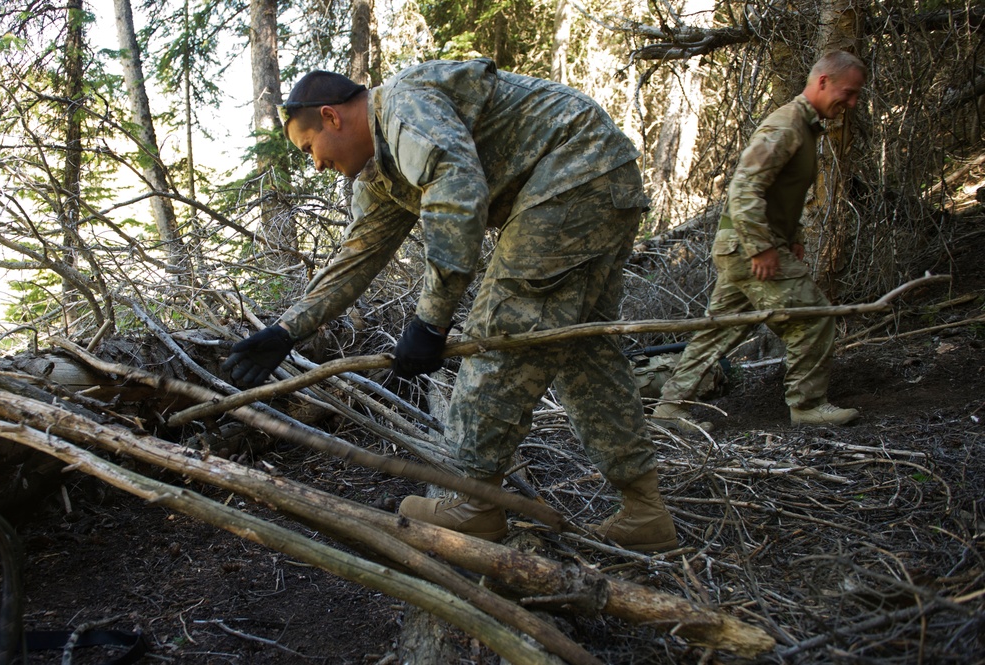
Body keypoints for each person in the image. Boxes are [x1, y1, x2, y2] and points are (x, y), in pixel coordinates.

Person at [222, 59, 679, 552]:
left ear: (331, 117)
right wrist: (286, 332)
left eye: (309, 147)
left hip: (574, 170)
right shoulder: (381, 172)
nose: (315, 163)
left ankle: (476, 504)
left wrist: (430, 322)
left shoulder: (403, 107)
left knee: (500, 333)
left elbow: (457, 194)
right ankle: (646, 511)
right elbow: (357, 256)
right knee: (580, 349)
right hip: (597, 174)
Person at [651, 50, 867, 434]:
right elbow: (744, 188)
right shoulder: (785, 126)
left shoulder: (804, 127)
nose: (850, 103)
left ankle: (670, 408)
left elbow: (781, 191)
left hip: (743, 244)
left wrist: (792, 236)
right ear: (822, 82)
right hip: (746, 245)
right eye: (847, 93)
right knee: (814, 320)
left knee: (719, 329)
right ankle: (808, 406)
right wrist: (761, 247)